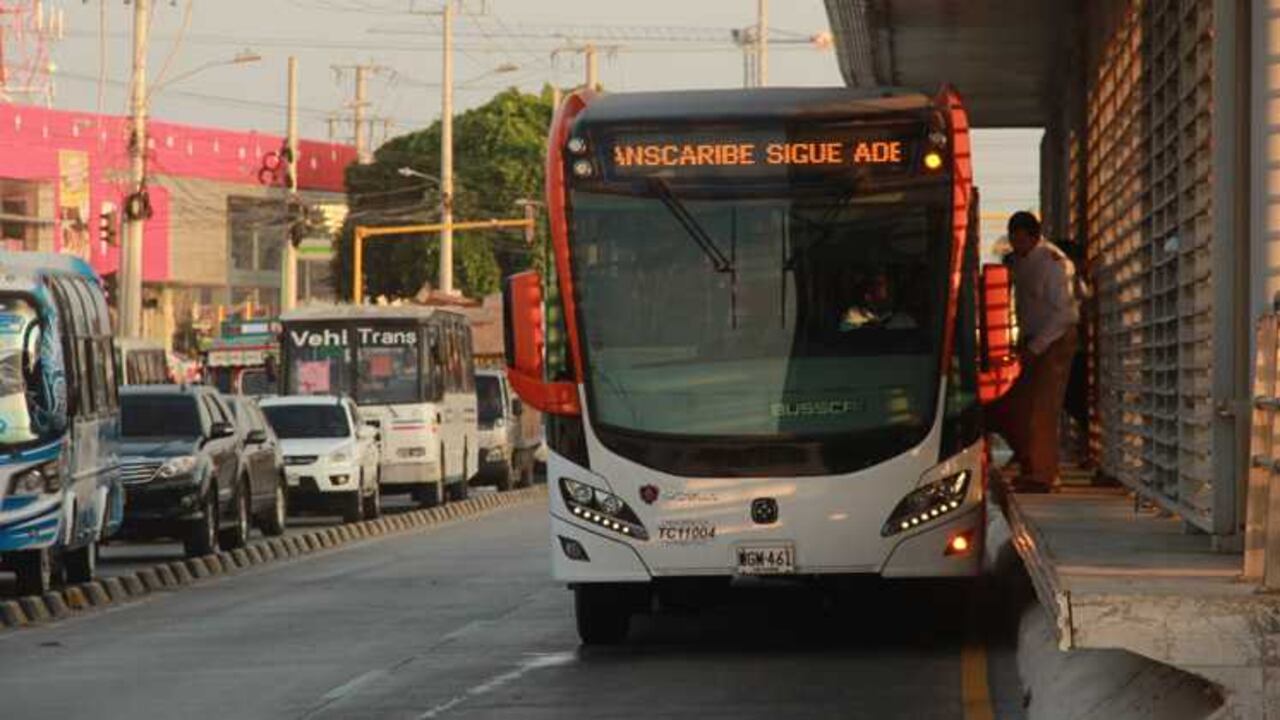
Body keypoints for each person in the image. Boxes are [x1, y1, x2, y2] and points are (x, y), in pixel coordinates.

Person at [987, 211, 1080, 492]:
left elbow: (1065, 313)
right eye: (1013, 241)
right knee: (1018, 405)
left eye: (1021, 240)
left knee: (1043, 407)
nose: (1016, 247)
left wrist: (1037, 347)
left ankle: (1044, 475)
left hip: (1054, 339)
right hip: (1031, 340)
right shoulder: (1019, 261)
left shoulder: (1054, 264)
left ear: (1034, 236)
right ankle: (1030, 464)